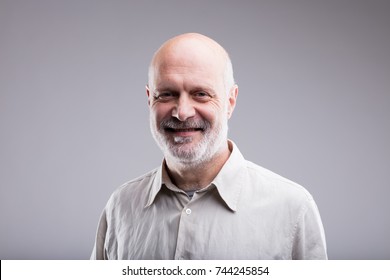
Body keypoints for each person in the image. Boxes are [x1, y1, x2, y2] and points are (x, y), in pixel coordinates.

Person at [90, 33, 327, 260]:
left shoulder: (293, 208)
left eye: (201, 94)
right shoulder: (121, 207)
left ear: (230, 101)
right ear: (149, 98)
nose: (182, 112)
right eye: (167, 94)